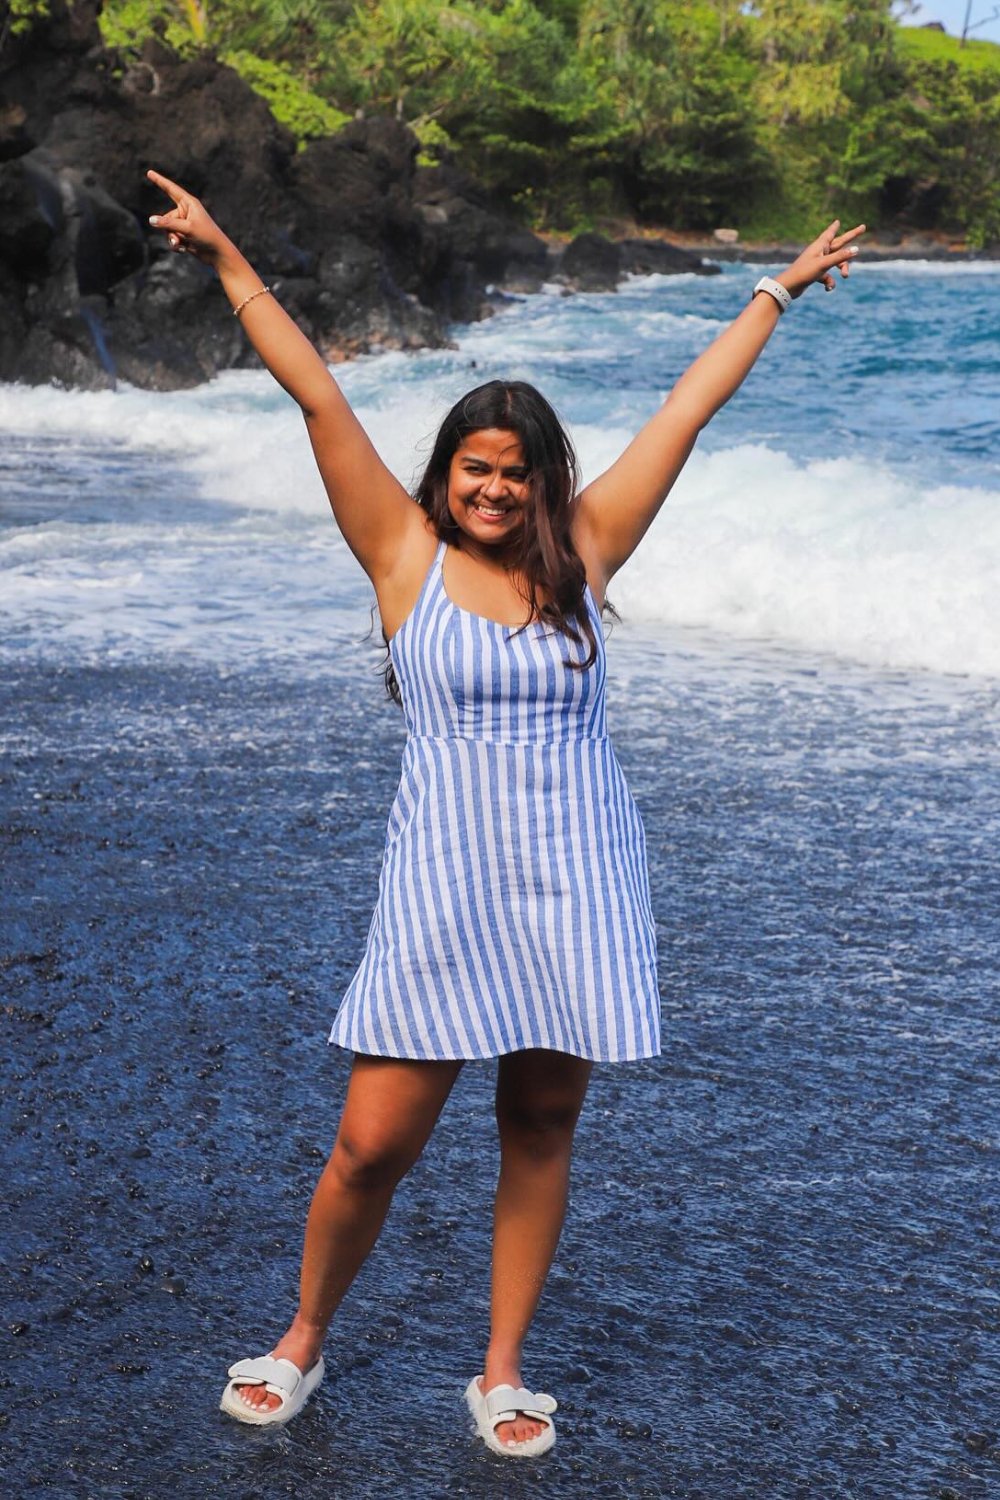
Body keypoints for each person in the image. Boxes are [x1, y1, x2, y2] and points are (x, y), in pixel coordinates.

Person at [146, 168, 863, 1457]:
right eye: (476, 467)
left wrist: (776, 292)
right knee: (372, 1142)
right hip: (444, 886)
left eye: (516, 473)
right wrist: (227, 261)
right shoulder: (402, 556)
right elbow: (319, 397)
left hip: (576, 875)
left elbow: (683, 417)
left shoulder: (583, 554)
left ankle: (501, 1370)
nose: (494, 489)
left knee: (540, 1122)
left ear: (544, 483)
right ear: (447, 474)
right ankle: (301, 1337)